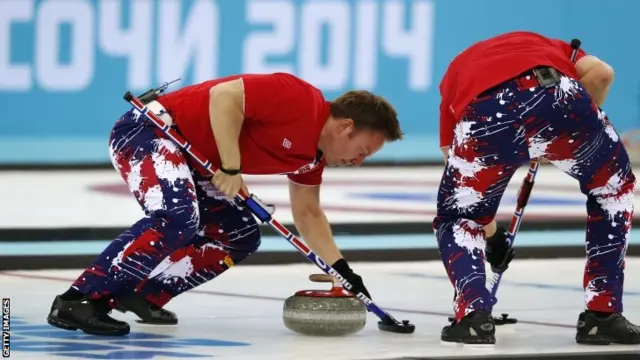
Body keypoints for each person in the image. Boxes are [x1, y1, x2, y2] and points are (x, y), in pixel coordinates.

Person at [46, 72, 403, 336]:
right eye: (362, 152)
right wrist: (232, 167)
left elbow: (308, 212)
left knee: (240, 234)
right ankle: (78, 299)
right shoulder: (299, 98)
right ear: (345, 127)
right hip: (151, 131)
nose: (357, 162)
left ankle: (145, 292)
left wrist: (343, 270)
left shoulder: (312, 160)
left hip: (195, 159)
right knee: (177, 217)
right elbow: (225, 97)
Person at [435, 31, 639, 345]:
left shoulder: (454, 75)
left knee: (457, 218)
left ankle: (475, 317)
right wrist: (556, 139)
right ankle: (602, 314)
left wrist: (492, 235)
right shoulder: (555, 48)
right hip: (559, 94)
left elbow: (466, 194)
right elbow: (601, 74)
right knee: (613, 191)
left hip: (488, 109)